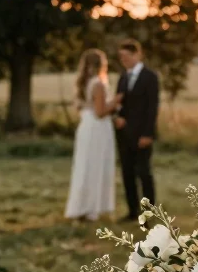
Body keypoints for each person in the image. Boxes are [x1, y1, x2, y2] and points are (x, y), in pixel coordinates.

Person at [65, 49, 121, 221]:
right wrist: (116, 102)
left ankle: (84, 206)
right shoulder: (98, 84)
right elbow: (100, 112)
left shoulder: (84, 83)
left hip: (86, 126)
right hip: (98, 128)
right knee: (96, 166)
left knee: (85, 166)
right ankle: (91, 209)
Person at [114, 39, 160, 221]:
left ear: (137, 55)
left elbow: (152, 107)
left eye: (126, 56)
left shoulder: (150, 77)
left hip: (142, 134)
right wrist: (117, 118)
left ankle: (149, 212)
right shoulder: (122, 78)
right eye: (121, 57)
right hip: (124, 134)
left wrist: (148, 133)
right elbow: (120, 104)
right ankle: (132, 211)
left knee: (144, 172)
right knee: (127, 172)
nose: (123, 60)